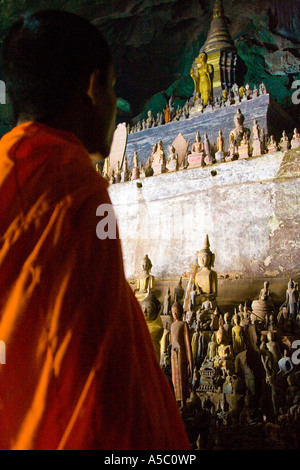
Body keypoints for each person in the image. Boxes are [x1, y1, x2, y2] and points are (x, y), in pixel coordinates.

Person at [0, 10, 190, 451]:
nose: (112, 103)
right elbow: (93, 366)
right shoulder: (68, 178)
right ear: (92, 88)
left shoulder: (19, 168)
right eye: (113, 87)